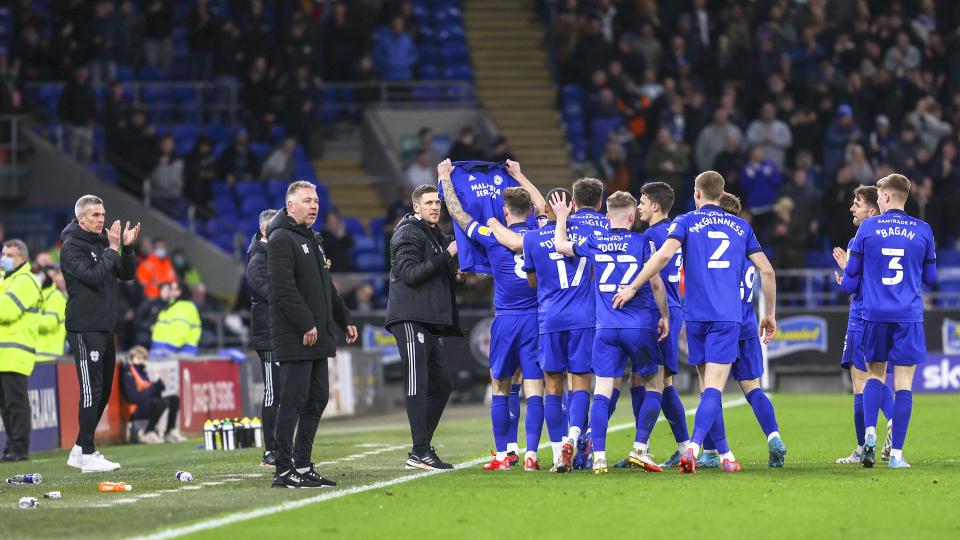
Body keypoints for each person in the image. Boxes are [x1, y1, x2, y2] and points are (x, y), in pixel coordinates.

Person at [613, 171, 777, 474]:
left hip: (695, 316)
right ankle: (696, 448)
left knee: (704, 385)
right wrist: (770, 313)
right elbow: (766, 271)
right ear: (722, 193)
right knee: (714, 387)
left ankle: (719, 452)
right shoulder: (742, 227)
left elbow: (662, 258)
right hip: (728, 315)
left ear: (697, 194)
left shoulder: (686, 221)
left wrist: (634, 285)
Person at [438, 159, 547, 471]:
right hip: (535, 319)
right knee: (533, 387)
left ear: (505, 211)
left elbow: (459, 215)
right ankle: (531, 455)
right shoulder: (540, 234)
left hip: (507, 320)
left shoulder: (491, 233)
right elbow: (541, 204)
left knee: (500, 384)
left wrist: (446, 178)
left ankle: (503, 455)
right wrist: (518, 174)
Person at [551, 191, 670, 474]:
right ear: (631, 217)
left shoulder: (595, 241)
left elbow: (559, 245)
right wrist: (664, 315)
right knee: (654, 384)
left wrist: (561, 217)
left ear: (607, 216)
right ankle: (640, 448)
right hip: (639, 325)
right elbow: (656, 285)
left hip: (606, 327)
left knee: (603, 390)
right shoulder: (643, 242)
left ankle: (600, 457)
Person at [840, 174, 937, 469]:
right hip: (908, 315)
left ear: (884, 197)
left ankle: (869, 435)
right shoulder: (923, 230)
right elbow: (931, 279)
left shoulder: (867, 229)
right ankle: (896, 456)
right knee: (904, 384)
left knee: (874, 376)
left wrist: (849, 271)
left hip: (874, 314)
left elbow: (849, 281)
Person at [267, 181, 357, 488]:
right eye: (307, 200)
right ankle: (282, 469)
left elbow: (325, 287)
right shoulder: (280, 238)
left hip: (317, 334)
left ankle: (302, 466)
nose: (314, 205)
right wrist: (306, 323)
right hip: (296, 334)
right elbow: (283, 289)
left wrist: (344, 317)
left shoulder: (313, 239)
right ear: (291, 206)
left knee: (317, 398)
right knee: (292, 400)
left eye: (316, 200)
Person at [521, 178, 609, 473]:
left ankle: (559, 452)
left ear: (545, 208)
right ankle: (574, 435)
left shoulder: (531, 239)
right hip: (584, 317)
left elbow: (533, 282)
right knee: (581, 382)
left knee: (552, 385)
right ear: (571, 206)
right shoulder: (587, 234)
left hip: (550, 317)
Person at [61, 195, 140, 473]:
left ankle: (81, 449)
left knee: (104, 392)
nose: (101, 219)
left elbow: (126, 274)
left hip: (106, 328)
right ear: (81, 218)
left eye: (103, 214)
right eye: (95, 215)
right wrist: (113, 249)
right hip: (85, 328)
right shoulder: (71, 247)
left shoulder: (103, 244)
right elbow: (93, 276)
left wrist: (127, 249)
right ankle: (88, 451)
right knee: (90, 390)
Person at [385, 184, 462, 471]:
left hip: (426, 318)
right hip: (409, 316)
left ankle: (420, 448)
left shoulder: (431, 233)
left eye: (437, 203)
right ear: (415, 206)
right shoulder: (407, 232)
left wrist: (452, 269)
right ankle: (420, 451)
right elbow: (410, 274)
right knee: (418, 382)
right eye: (428, 202)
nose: (434, 207)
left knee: (442, 385)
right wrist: (447, 256)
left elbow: (433, 267)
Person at [717, 193, 787, 468]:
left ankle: (713, 451)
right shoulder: (749, 249)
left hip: (722, 324)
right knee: (753, 389)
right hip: (747, 323)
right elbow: (767, 273)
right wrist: (769, 313)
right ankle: (773, 437)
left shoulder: (715, 250)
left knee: (711, 390)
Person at [832, 186, 895, 465]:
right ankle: (893, 422)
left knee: (861, 383)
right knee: (878, 375)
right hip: (886, 314)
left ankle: (862, 445)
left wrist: (846, 270)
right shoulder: (889, 237)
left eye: (856, 204)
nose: (851, 209)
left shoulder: (860, 238)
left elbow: (853, 285)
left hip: (861, 315)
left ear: (871, 210)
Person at [635, 182, 691, 468]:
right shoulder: (676, 232)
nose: (639, 206)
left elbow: (653, 278)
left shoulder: (651, 236)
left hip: (661, 311)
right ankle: (684, 447)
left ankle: (642, 447)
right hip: (675, 306)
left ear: (656, 206)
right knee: (664, 382)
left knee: (656, 382)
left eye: (642, 201)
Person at [0, 240, 42, 462]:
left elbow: (6, 311)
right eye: (3, 253)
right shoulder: (6, 279)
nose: (4, 258)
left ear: (22, 259)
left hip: (16, 353)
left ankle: (20, 448)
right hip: (3, 354)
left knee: (16, 404)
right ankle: (10, 446)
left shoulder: (26, 281)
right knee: (5, 406)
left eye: (10, 255)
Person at [246, 209, 280, 467]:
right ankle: (270, 450)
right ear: (267, 230)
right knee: (272, 393)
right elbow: (270, 293)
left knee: (284, 393)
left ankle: (281, 447)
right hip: (268, 334)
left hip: (281, 333)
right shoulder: (258, 258)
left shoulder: (274, 254)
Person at [119, 345, 186, 444]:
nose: (142, 361)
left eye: (144, 358)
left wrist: (156, 389)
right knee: (161, 402)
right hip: (135, 410)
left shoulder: (143, 372)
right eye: (138, 358)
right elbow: (133, 398)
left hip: (145, 404)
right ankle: (148, 432)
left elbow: (147, 392)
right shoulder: (128, 374)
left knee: (174, 399)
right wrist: (153, 388)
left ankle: (170, 431)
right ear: (131, 360)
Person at [149, 281, 201, 356]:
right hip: (162, 348)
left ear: (181, 291)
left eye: (174, 289)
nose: (171, 291)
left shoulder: (184, 307)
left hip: (173, 351)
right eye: (170, 288)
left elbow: (180, 331)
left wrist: (168, 348)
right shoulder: (172, 305)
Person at [36, 263, 68, 362]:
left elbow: (48, 324)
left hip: (48, 356)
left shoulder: (56, 296)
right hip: (36, 355)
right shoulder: (40, 295)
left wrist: (26, 319)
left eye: (54, 275)